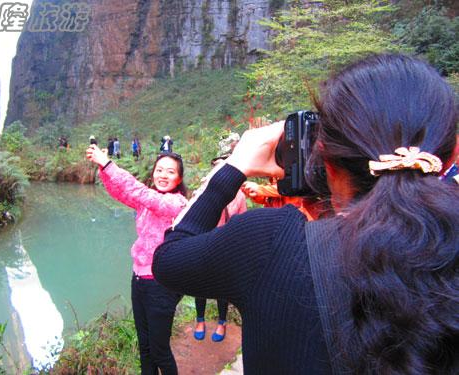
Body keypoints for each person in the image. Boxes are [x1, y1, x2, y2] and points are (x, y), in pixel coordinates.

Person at [153, 54, 458, 374]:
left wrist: (234, 167)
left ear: (324, 159)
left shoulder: (269, 242)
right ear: (452, 153)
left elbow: (169, 260)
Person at [86, 146, 188, 374]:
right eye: (159, 170)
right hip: (139, 280)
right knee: (145, 347)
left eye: (170, 172)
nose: (163, 175)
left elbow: (138, 191)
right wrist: (103, 169)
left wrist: (109, 164)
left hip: (160, 284)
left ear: (179, 178)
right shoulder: (148, 201)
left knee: (159, 350)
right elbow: (121, 192)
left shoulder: (176, 204)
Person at [193, 156, 247, 343]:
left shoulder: (239, 196)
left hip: (225, 246)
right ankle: (200, 321)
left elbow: (242, 223)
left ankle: (221, 323)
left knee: (221, 289)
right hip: (204, 243)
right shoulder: (203, 192)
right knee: (199, 285)